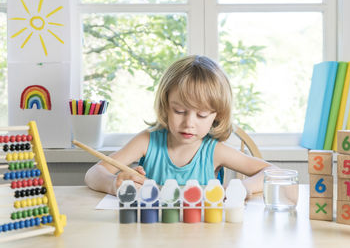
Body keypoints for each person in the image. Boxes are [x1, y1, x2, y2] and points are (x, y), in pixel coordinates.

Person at [85, 55, 279, 196]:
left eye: (202, 114)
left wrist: (243, 187)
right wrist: (115, 185)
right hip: (154, 233)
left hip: (202, 235)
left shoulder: (214, 151)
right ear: (166, 106)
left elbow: (273, 173)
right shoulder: (147, 141)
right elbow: (93, 174)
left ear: (216, 115)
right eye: (179, 111)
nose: (189, 123)